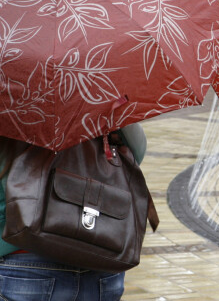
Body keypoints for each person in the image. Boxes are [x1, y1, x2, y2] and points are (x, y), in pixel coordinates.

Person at [0, 123, 147, 301]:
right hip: (103, 254)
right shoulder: (99, 103)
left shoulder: (11, 108)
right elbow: (137, 152)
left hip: (24, 261)